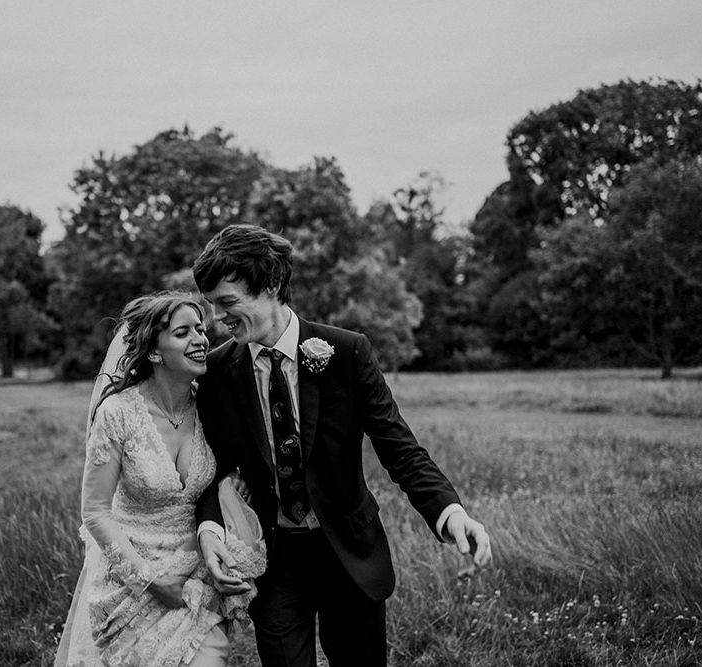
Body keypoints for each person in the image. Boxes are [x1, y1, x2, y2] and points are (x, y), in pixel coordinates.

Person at [192, 225, 492, 667]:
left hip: (350, 554)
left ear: (272, 286)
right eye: (212, 306)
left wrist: (450, 512)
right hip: (274, 562)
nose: (217, 319)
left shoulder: (347, 352)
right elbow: (209, 471)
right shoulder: (216, 373)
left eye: (228, 303)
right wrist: (210, 529)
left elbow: (400, 447)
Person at [55, 292, 266, 667]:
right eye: (183, 333)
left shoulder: (212, 406)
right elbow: (96, 512)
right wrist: (149, 579)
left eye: (201, 329)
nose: (201, 339)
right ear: (154, 352)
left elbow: (234, 468)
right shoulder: (118, 413)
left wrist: (233, 493)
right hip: (132, 579)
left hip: (194, 578)